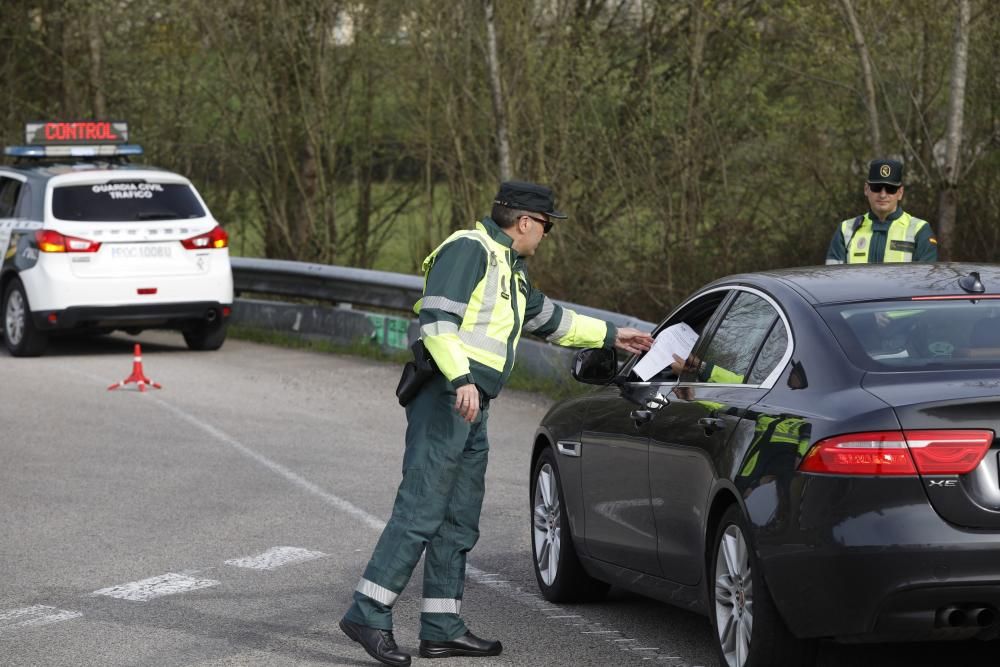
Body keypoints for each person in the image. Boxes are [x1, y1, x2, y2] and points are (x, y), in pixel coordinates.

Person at [338, 180, 654, 667]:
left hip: (471, 401)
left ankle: (441, 627)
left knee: (458, 518)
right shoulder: (471, 250)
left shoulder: (512, 269)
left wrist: (616, 336)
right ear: (526, 221)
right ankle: (367, 612)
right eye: (546, 226)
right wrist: (461, 377)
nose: (546, 235)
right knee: (421, 508)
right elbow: (437, 321)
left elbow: (553, 321)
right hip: (448, 395)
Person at [825, 158, 938, 264]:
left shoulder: (920, 230)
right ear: (866, 189)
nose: (883, 195)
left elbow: (925, 282)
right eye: (877, 188)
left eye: (890, 189)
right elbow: (833, 281)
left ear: (900, 193)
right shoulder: (845, 230)